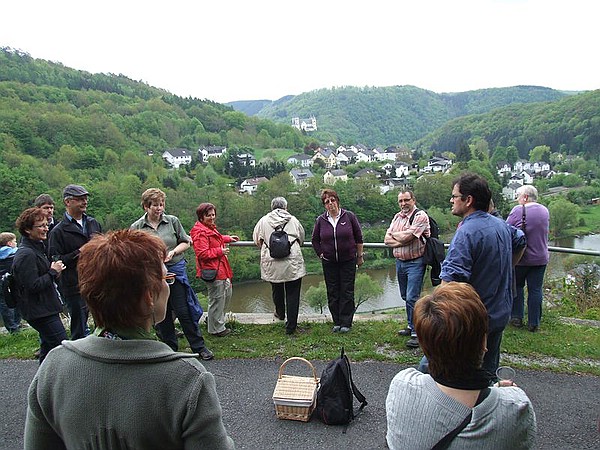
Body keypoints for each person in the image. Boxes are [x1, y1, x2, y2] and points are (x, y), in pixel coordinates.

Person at [24, 229, 235, 450]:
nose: (168, 285)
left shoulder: (54, 365)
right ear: (149, 297)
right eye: (165, 278)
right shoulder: (187, 378)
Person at [386, 282, 536, 449]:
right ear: (483, 343)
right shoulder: (515, 408)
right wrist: (498, 393)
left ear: (424, 346)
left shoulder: (401, 385)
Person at [438, 173, 525, 378]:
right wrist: (508, 267)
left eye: (454, 196)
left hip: (472, 321)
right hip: (499, 312)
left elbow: (449, 283)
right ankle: (487, 407)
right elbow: (521, 240)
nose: (451, 200)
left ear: (468, 200)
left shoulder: (466, 232)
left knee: (442, 369)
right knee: (487, 372)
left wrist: (439, 322)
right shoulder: (500, 224)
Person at [131, 188, 213, 361]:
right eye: (155, 205)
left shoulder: (172, 221)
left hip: (175, 270)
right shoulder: (137, 227)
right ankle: (169, 349)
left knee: (184, 310)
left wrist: (173, 252)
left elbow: (186, 242)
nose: (159, 208)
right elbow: (133, 252)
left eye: (161, 204)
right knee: (163, 312)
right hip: (153, 274)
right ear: (146, 206)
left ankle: (199, 347)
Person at [12, 208, 67, 363]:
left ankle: (41, 386)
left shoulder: (37, 248)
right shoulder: (26, 254)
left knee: (47, 350)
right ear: (28, 230)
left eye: (46, 224)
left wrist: (55, 273)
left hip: (45, 309)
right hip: (40, 312)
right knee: (63, 347)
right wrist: (51, 272)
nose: (46, 228)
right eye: (41, 226)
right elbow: (32, 286)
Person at [48, 184, 102, 340]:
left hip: (96, 280)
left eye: (85, 198)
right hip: (73, 284)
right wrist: (80, 252)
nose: (84, 202)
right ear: (67, 202)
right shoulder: (58, 231)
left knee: (102, 322)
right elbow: (56, 260)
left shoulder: (93, 223)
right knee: (79, 326)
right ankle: (77, 360)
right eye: (79, 199)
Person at [311, 189, 364, 333]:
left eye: (332, 200)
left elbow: (359, 237)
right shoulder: (321, 220)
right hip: (329, 261)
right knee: (333, 291)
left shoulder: (349, 216)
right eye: (327, 202)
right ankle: (337, 321)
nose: (330, 204)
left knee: (347, 290)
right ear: (324, 205)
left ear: (337, 200)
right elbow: (315, 240)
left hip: (348, 260)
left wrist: (359, 256)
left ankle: (346, 322)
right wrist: (320, 254)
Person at [253, 197, 306, 335]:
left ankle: (280, 314)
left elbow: (256, 240)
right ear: (285, 207)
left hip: (272, 261)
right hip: (292, 261)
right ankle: (291, 326)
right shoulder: (293, 220)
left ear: (272, 207)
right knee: (293, 293)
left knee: (276, 288)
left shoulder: (263, 221)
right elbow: (301, 238)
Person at [384, 191, 430, 348]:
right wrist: (402, 240)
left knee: (412, 297)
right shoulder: (397, 217)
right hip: (400, 262)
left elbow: (405, 238)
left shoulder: (420, 216)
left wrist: (399, 237)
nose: (403, 203)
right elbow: (386, 239)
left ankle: (418, 332)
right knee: (405, 296)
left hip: (415, 262)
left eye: (406, 200)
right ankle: (411, 325)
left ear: (413, 200)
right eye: (400, 201)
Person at [191, 203, 239, 337]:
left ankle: (214, 321)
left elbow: (215, 239)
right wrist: (220, 251)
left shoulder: (208, 228)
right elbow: (202, 253)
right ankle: (216, 329)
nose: (212, 217)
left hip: (220, 269)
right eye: (208, 215)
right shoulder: (200, 231)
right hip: (212, 270)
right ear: (201, 217)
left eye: (213, 214)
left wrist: (228, 238)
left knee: (226, 295)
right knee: (217, 299)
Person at [507, 185, 550, 332]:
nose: (517, 199)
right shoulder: (545, 211)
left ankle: (517, 317)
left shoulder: (518, 210)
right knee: (536, 290)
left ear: (525, 197)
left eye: (518, 196)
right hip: (541, 258)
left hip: (521, 259)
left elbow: (507, 230)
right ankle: (534, 322)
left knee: (517, 287)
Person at [0, 232, 22, 333]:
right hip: (11, 281)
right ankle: (16, 324)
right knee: (17, 301)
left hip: (1, 281)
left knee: (4, 305)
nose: (16, 243)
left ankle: (11, 327)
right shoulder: (15, 253)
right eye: (14, 241)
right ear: (9, 243)